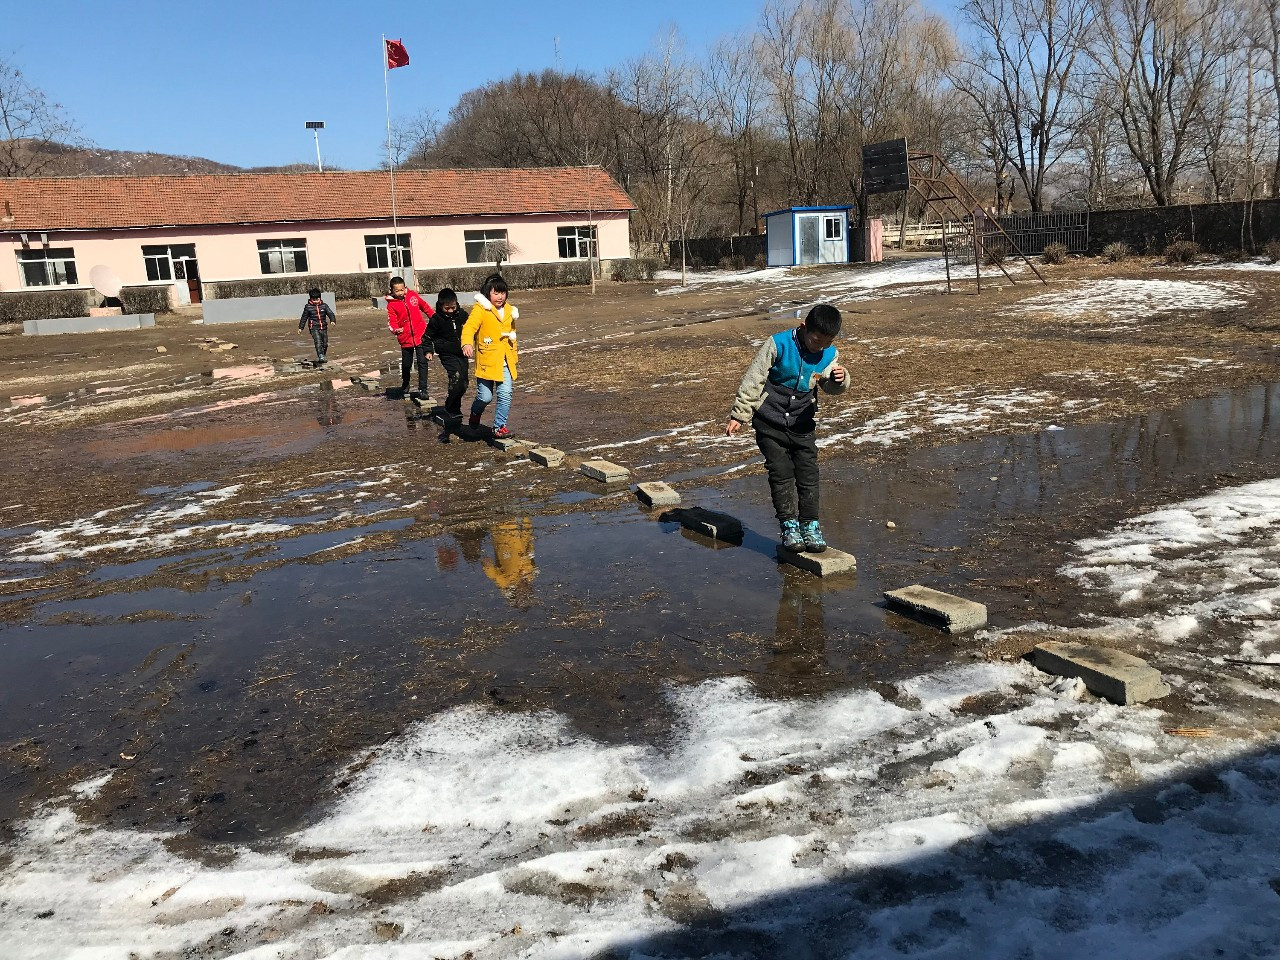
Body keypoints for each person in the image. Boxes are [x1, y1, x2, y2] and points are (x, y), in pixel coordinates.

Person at [725, 303, 848, 553]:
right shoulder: (778, 344)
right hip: (769, 422)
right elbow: (754, 378)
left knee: (808, 473)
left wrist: (840, 379)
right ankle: (789, 525)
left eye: (826, 342)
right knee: (781, 472)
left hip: (802, 424)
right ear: (804, 327)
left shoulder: (829, 354)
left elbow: (829, 386)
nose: (819, 347)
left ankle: (810, 525)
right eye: (816, 340)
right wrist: (740, 414)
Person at [461, 274, 519, 438]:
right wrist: (466, 343)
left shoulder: (510, 311)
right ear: (488, 293)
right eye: (496, 293)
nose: (500, 297)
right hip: (487, 360)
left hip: (505, 360)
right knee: (485, 397)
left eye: (503, 293)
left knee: (505, 394)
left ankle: (499, 427)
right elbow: (469, 328)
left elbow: (512, 334)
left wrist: (513, 355)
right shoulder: (481, 309)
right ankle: (475, 413)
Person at [386, 276, 434, 399]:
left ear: (405, 288)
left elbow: (425, 307)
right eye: (397, 291)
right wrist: (396, 329)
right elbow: (392, 321)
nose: (400, 293)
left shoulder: (413, 296)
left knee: (422, 363)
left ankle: (423, 389)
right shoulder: (391, 305)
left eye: (402, 290)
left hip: (420, 335)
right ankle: (405, 384)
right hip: (405, 339)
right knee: (407, 365)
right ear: (392, 291)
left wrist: (434, 318)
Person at [426, 287, 470, 422]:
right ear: (440, 306)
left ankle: (453, 405)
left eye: (453, 307)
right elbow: (427, 337)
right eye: (447, 308)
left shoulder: (462, 315)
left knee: (464, 383)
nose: (451, 311)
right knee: (456, 378)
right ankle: (452, 408)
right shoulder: (436, 319)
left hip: (462, 353)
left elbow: (472, 327)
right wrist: (428, 351)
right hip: (447, 354)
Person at [298, 287, 336, 363]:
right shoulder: (308, 307)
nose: (315, 301)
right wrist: (300, 328)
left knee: (325, 343)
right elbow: (304, 317)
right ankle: (321, 356)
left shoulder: (324, 306)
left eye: (317, 299)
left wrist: (332, 320)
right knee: (318, 342)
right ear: (311, 299)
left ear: (320, 298)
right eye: (313, 299)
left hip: (323, 327)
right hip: (314, 328)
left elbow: (330, 313)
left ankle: (322, 355)